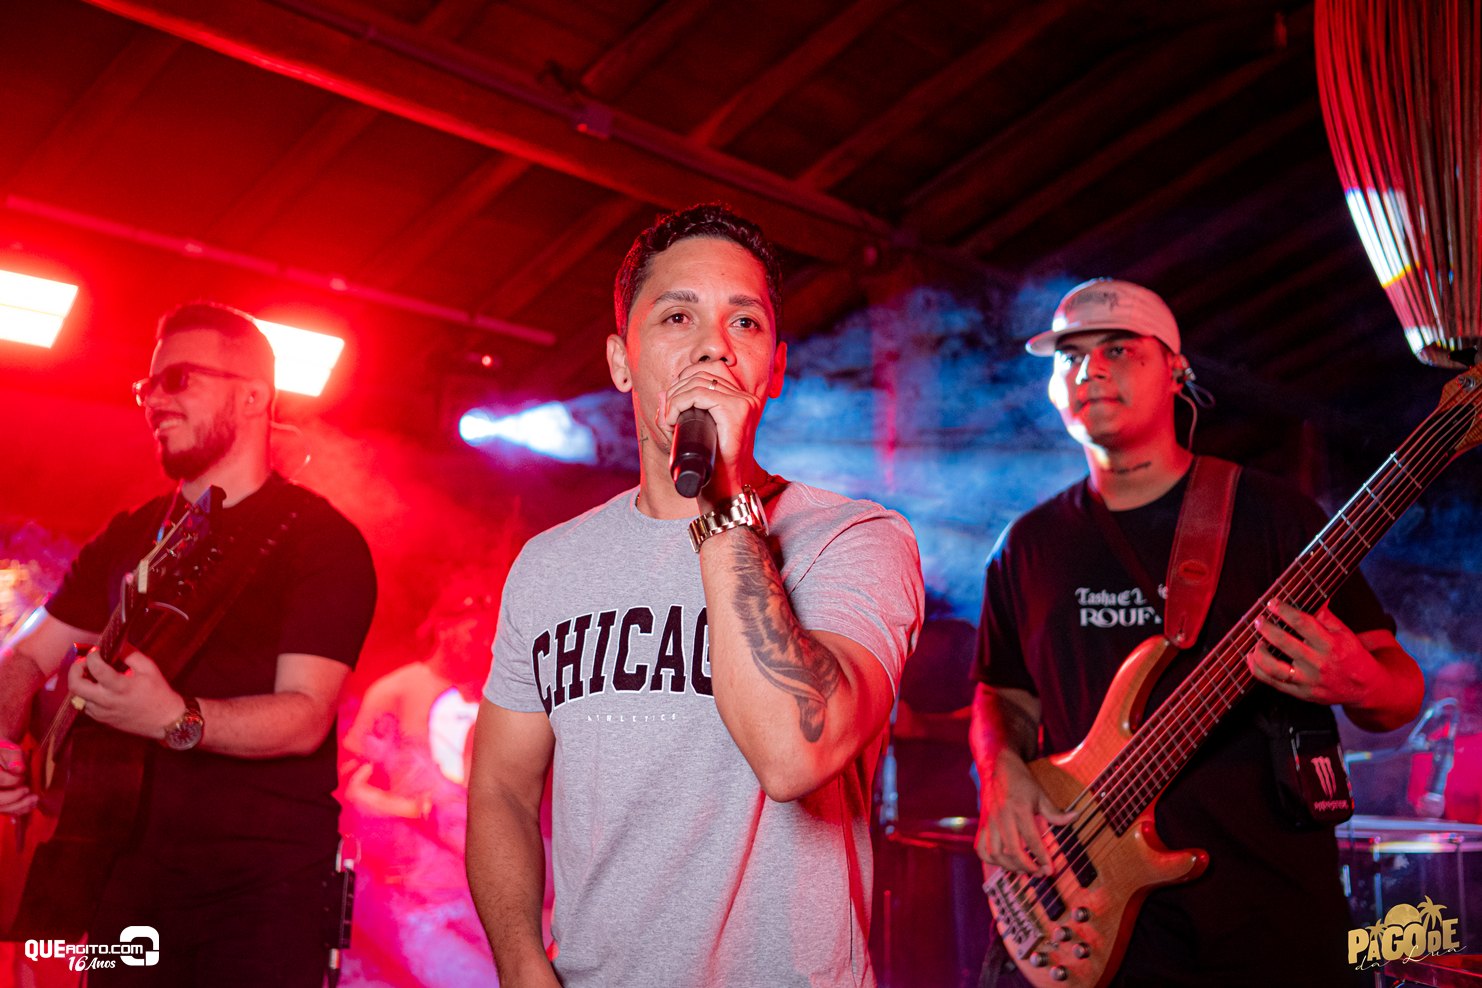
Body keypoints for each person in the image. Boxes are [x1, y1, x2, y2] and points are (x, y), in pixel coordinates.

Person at [466, 203, 924, 987]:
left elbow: (792, 753)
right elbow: (501, 785)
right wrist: (519, 963)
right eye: (678, 314)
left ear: (773, 368)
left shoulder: (855, 540)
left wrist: (720, 498)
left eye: (743, 322)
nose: (713, 344)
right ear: (621, 359)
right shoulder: (551, 566)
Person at [971, 278, 1423, 987]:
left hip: (1267, 918)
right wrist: (998, 772)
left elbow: (1398, 691)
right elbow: (1002, 693)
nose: (1090, 369)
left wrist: (1357, 680)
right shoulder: (1024, 546)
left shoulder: (1272, 514)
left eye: (1119, 348)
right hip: (1091, 911)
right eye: (1069, 358)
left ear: (1178, 372)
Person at [0, 301, 377, 986]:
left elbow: (305, 715)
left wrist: (174, 720)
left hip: (258, 892)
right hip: (120, 877)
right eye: (149, 386)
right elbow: (24, 655)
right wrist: (4, 740)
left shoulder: (319, 542)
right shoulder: (130, 534)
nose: (155, 401)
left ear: (254, 395)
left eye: (180, 381)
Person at [339, 579, 502, 987]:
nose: (484, 640)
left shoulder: (489, 695)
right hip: (411, 897)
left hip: (475, 888)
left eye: (489, 631)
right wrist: (415, 812)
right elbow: (350, 793)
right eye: (475, 629)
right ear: (445, 628)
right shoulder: (394, 691)